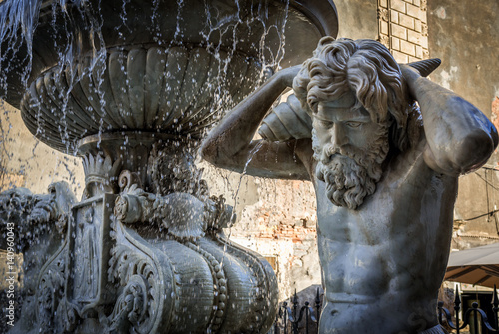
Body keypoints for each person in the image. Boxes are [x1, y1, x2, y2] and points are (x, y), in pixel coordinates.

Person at [200, 37, 498, 333]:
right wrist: (279, 80)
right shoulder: (316, 160)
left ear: (385, 120)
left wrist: (409, 78)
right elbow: (218, 150)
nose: (337, 142)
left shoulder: (423, 157)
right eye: (326, 124)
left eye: (354, 124)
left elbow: (470, 143)